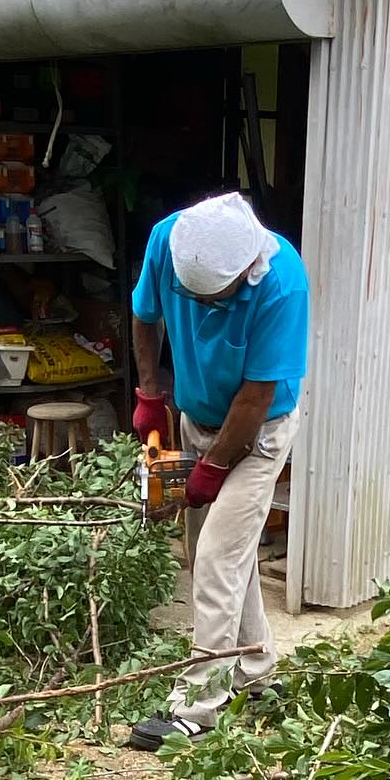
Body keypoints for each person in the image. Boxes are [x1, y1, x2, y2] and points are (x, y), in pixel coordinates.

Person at [126, 192, 309, 751]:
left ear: (243, 274)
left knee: (215, 557)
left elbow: (255, 401)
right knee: (223, 554)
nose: (199, 306)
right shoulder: (172, 240)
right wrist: (150, 394)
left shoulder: (281, 284)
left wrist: (211, 470)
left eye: (214, 299)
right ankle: (257, 672)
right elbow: (143, 317)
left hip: (255, 434)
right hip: (195, 416)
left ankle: (199, 705)